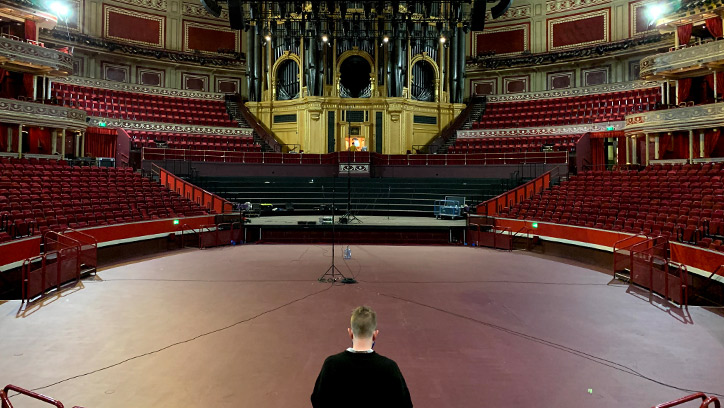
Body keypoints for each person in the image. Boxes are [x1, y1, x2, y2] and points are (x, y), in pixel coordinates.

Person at [311, 306, 413, 408]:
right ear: (375, 335)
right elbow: (405, 405)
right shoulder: (389, 367)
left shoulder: (331, 364)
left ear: (350, 333)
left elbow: (318, 401)